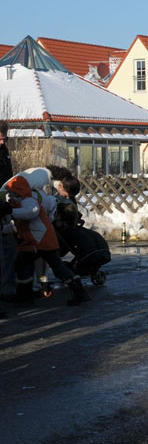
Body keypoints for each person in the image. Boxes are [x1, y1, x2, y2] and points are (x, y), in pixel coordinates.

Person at [3, 175, 90, 305]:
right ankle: (25, 295)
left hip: (42, 241)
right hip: (33, 243)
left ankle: (79, 292)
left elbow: (31, 212)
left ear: (19, 192)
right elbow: (14, 223)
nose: (10, 196)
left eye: (12, 193)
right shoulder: (18, 204)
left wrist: (11, 212)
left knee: (57, 268)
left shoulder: (29, 201)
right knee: (22, 264)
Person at [0, 121, 15, 307]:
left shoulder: (5, 153)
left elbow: (7, 179)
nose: (2, 142)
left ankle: (5, 291)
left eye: (4, 138)